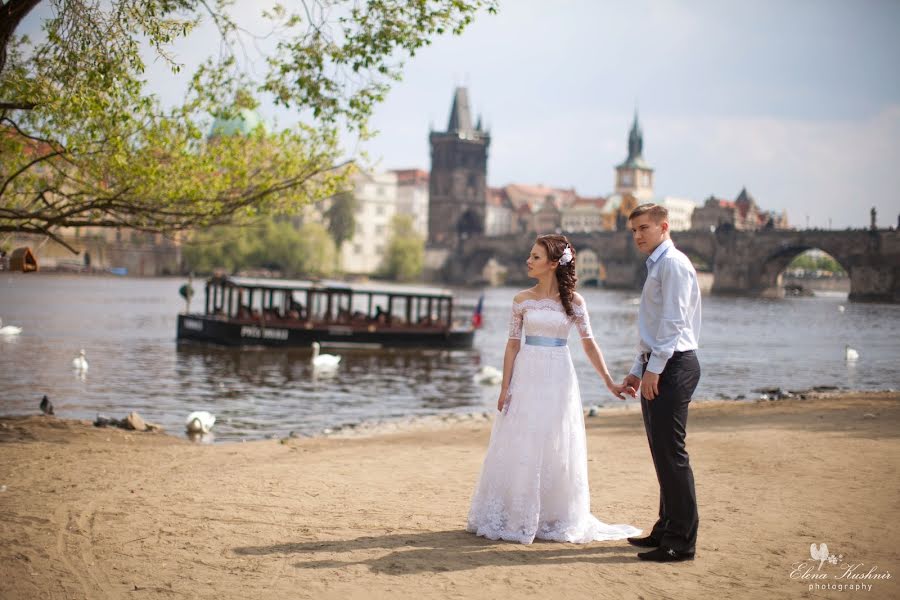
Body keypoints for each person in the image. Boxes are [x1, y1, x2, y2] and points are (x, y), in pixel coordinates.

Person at [466, 234, 641, 544]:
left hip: (559, 375)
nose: (528, 261)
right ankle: (514, 512)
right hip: (527, 372)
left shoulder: (574, 302)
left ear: (551, 264)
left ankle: (551, 514)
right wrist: (504, 387)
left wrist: (609, 382)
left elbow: (589, 345)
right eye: (530, 255)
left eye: (535, 257)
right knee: (521, 436)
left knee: (555, 438)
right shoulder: (521, 300)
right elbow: (511, 345)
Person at [621, 203, 702, 562]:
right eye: (634, 230)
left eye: (643, 228)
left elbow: (672, 322)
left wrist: (654, 369)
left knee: (672, 454)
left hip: (673, 365)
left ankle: (681, 541)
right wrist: (639, 369)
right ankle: (665, 529)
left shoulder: (672, 264)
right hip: (659, 364)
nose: (637, 235)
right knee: (662, 454)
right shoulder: (657, 264)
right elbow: (652, 329)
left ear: (663, 226)